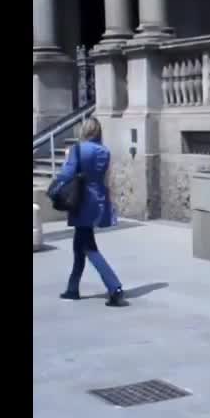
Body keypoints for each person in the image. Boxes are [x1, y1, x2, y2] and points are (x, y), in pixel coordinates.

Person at [57, 117, 128, 307]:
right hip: (97, 200)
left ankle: (115, 287)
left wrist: (63, 167)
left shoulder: (78, 149)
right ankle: (73, 288)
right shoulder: (104, 151)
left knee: (88, 247)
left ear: (84, 130)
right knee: (79, 244)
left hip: (81, 201)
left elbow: (66, 174)